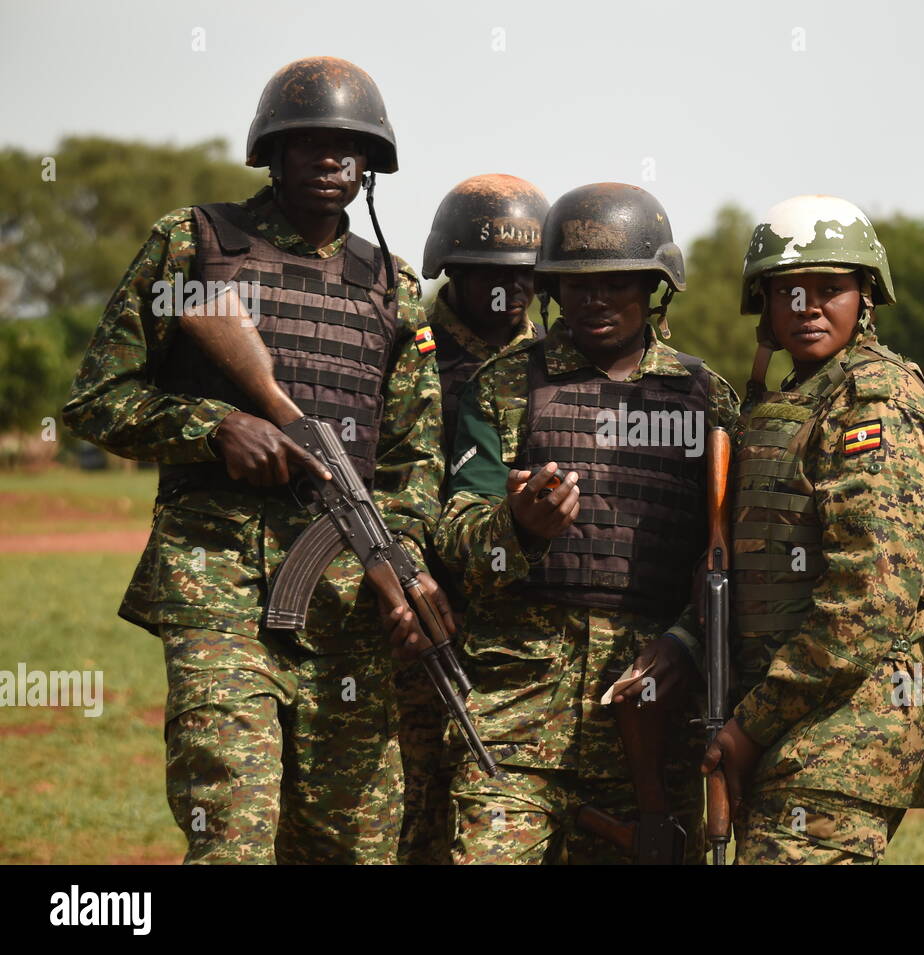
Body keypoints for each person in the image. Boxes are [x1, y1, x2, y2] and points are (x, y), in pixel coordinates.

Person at [61, 57, 451, 864]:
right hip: (219, 584)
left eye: (350, 145)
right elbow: (97, 397)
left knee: (353, 844)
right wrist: (212, 426)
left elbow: (416, 464)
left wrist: (396, 563)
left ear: (371, 164)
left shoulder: (395, 289)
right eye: (308, 141)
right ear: (272, 151)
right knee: (231, 830)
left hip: (346, 605)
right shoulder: (193, 245)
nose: (331, 159)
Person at [433, 182, 740, 864]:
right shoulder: (506, 384)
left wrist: (688, 640)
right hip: (513, 713)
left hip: (652, 721)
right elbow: (454, 535)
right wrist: (516, 527)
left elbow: (732, 559)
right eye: (575, 284)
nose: (594, 300)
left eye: (616, 282)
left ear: (653, 285)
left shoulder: (706, 398)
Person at [697, 195, 924, 864]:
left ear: (867, 296)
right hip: (790, 716)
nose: (807, 306)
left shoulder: (874, 399)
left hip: (847, 723)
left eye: (829, 289)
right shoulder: (791, 398)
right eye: (790, 292)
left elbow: (871, 600)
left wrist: (750, 724)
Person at [396, 174, 548, 864]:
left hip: (526, 637)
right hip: (412, 616)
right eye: (491, 270)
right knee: (411, 814)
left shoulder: (561, 361)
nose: (510, 288)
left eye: (525, 273)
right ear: (451, 268)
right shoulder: (405, 352)